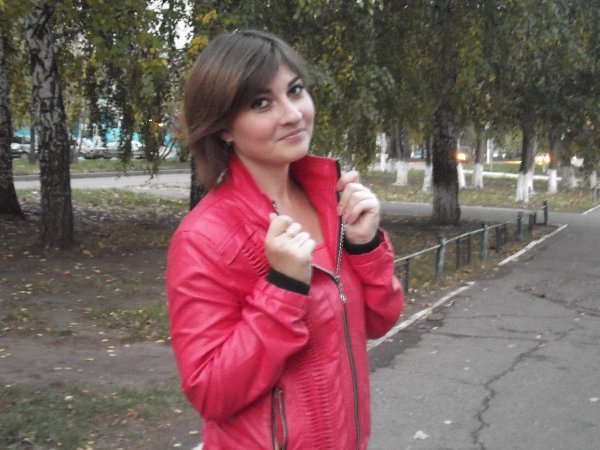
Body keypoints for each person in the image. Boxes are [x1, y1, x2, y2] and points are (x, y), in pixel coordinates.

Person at [166, 29, 404, 449]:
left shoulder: (332, 204)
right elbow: (209, 393)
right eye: (261, 103)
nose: (293, 114)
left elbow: (378, 321)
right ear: (224, 128)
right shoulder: (205, 238)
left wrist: (365, 246)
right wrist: (283, 288)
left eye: (295, 91)